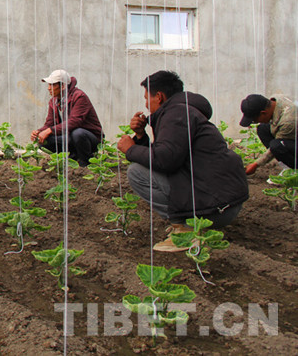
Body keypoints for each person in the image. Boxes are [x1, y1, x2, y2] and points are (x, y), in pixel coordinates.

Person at [117, 70, 249, 252]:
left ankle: (186, 231)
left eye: (147, 98)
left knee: (136, 172)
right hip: (223, 204)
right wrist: (140, 136)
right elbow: (166, 156)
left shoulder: (176, 114)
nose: (146, 105)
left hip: (215, 210)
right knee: (145, 168)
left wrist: (131, 149)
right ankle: (188, 223)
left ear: (159, 97)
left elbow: (165, 160)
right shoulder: (183, 111)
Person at [30, 69, 103, 167]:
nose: (48, 88)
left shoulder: (79, 97)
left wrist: (49, 130)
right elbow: (50, 123)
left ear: (63, 86)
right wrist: (39, 132)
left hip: (89, 139)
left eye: (52, 85)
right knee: (44, 141)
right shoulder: (53, 101)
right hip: (71, 137)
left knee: (78, 133)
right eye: (48, 85)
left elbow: (74, 122)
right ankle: (73, 158)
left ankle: (85, 163)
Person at [239, 93, 297, 175]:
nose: (256, 122)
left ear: (263, 113)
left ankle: (293, 170)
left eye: (255, 120)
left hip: (293, 132)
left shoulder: (288, 122)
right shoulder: (275, 100)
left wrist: (255, 165)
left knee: (277, 146)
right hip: (293, 134)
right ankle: (286, 165)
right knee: (262, 128)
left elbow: (277, 146)